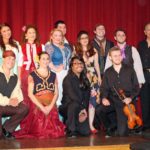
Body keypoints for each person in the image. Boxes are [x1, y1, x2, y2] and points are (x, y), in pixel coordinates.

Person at [13, 52, 65, 139]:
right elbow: (30, 94)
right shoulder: (32, 75)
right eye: (43, 59)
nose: (45, 61)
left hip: (50, 105)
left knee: (54, 131)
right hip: (37, 104)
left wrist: (50, 106)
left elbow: (56, 93)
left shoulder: (53, 75)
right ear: (39, 61)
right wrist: (42, 107)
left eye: (47, 59)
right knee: (39, 131)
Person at [97, 46, 140, 137]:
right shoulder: (108, 72)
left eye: (119, 55)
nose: (117, 57)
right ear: (110, 57)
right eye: (115, 56)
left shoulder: (130, 69)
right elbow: (104, 88)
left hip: (126, 102)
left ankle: (120, 126)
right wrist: (104, 98)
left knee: (122, 133)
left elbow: (136, 87)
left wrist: (130, 98)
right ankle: (111, 127)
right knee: (99, 110)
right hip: (113, 100)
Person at [75, 31, 101, 133]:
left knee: (92, 102)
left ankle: (91, 125)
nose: (84, 39)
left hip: (93, 78)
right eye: (82, 38)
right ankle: (81, 124)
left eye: (86, 37)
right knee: (82, 100)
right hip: (81, 78)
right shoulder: (76, 51)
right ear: (79, 40)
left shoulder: (93, 50)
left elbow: (97, 66)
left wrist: (99, 77)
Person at [59, 56, 91, 137]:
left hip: (80, 108)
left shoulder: (85, 79)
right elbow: (73, 97)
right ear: (71, 66)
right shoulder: (67, 79)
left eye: (80, 63)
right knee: (74, 104)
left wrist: (84, 110)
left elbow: (87, 97)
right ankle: (70, 130)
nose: (79, 65)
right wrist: (82, 109)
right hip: (67, 108)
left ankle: (72, 123)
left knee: (86, 132)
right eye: (76, 63)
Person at [0, 50, 28, 139]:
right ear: (3, 59)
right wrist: (9, 101)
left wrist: (15, 100)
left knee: (24, 108)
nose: (11, 61)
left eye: (13, 59)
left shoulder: (15, 77)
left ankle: (6, 128)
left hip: (5, 106)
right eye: (8, 58)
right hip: (3, 103)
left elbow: (17, 92)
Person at [45, 28, 71, 107]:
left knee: (66, 93)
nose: (58, 37)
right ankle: (58, 116)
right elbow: (48, 60)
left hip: (67, 72)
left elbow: (70, 59)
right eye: (55, 35)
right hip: (57, 73)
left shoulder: (66, 47)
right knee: (58, 94)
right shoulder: (49, 46)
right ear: (51, 37)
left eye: (60, 35)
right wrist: (56, 69)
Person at [20, 25, 44, 104]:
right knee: (26, 94)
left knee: (37, 94)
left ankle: (37, 115)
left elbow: (44, 62)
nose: (32, 34)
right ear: (26, 35)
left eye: (33, 32)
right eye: (29, 33)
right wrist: (19, 79)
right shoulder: (21, 47)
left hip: (38, 73)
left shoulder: (41, 46)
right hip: (25, 74)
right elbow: (19, 64)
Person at [138, 22, 150, 131]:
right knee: (145, 101)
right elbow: (137, 63)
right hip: (144, 75)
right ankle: (146, 125)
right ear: (145, 32)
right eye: (148, 29)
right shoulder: (140, 45)